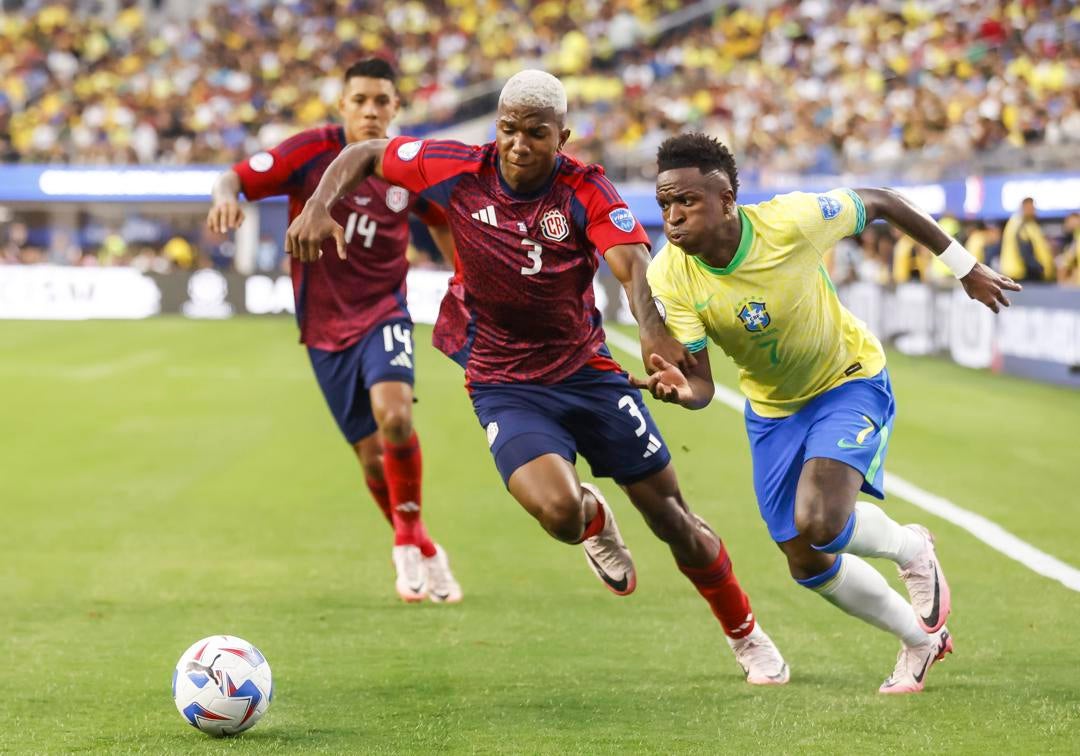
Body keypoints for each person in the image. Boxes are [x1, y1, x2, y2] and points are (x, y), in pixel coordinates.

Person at [284, 70, 789, 685]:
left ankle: (746, 633)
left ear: (563, 136)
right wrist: (317, 206)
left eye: (536, 133)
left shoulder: (586, 188)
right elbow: (364, 154)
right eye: (508, 130)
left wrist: (654, 334)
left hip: (588, 374)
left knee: (673, 520)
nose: (519, 145)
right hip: (503, 381)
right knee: (560, 514)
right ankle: (593, 519)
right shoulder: (454, 165)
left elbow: (632, 266)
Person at [641, 132, 1022, 694]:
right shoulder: (669, 274)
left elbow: (887, 202)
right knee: (804, 559)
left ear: (726, 200)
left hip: (848, 380)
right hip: (772, 409)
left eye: (686, 203)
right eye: (664, 205)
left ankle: (912, 547)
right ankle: (921, 641)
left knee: (822, 522)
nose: (672, 218)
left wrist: (964, 268)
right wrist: (679, 391)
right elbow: (701, 384)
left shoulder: (792, 219)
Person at [206, 58, 462, 604]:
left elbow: (440, 218)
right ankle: (423, 544)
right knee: (371, 458)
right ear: (343, 105)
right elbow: (236, 176)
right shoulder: (308, 152)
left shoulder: (404, 163)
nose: (371, 110)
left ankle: (407, 542)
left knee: (395, 414)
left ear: (396, 108)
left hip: (384, 310)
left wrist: (467, 280)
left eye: (382, 101)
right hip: (323, 328)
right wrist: (226, 196)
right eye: (361, 101)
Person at [1000, 197, 1055, 282]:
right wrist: (1040, 269)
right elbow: (1025, 252)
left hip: (1017, 273)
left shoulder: (1023, 223)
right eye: (1030, 208)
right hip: (1021, 274)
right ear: (1023, 208)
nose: (1033, 211)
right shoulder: (1021, 224)